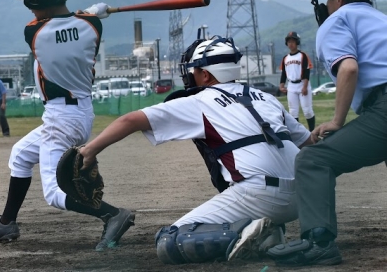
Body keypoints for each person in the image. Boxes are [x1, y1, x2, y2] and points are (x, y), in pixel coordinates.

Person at [78, 32, 313, 264]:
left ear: (206, 75)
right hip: (304, 195)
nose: (190, 75)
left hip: (260, 195)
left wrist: (89, 150)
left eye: (194, 70)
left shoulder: (200, 101)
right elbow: (309, 143)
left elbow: (130, 120)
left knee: (170, 240)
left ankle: (255, 234)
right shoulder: (265, 97)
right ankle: (267, 230)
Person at [0, 0, 135, 251]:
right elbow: (73, 21)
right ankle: (7, 223)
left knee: (54, 192)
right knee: (21, 154)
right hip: (78, 113)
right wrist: (93, 12)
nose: (27, 4)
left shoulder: (34, 32)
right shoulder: (92, 26)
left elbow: (60, 24)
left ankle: (112, 214)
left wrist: (90, 10)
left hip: (62, 118)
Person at [268, 0, 387, 267]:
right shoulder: (380, 19)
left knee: (312, 160)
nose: (326, 4)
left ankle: (318, 243)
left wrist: (337, 121)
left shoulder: (337, 20)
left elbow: (348, 68)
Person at [279, 31, 317, 130]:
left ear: (297, 42)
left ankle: (312, 131)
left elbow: (306, 72)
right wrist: (281, 85)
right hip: (291, 85)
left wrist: (305, 87)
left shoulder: (302, 56)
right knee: (293, 112)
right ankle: (298, 133)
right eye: (289, 42)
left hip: (302, 84)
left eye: (293, 41)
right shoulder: (285, 58)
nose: (290, 44)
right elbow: (284, 73)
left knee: (307, 111)